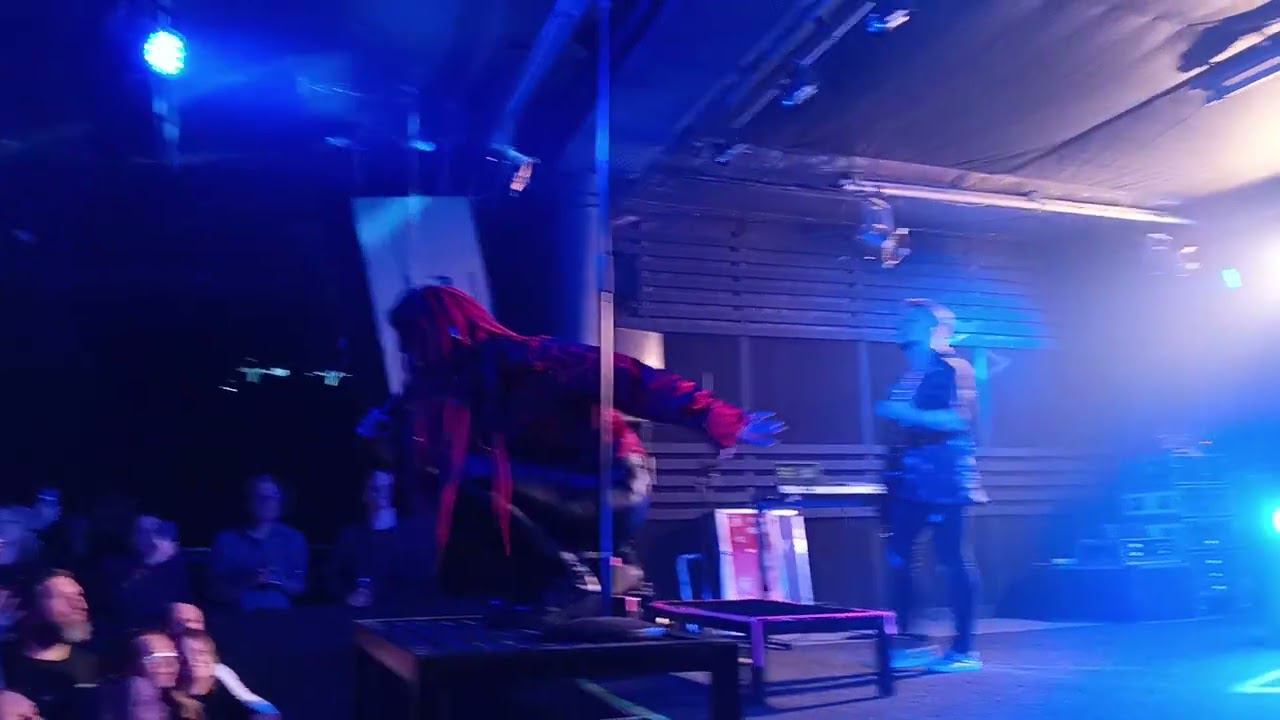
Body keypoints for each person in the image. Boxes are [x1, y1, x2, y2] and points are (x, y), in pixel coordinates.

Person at [360, 286, 784, 605]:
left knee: (471, 479)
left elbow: (628, 377)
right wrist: (383, 429)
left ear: (441, 332)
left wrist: (721, 417)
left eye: (414, 342)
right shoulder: (449, 385)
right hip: (563, 488)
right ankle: (583, 573)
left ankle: (579, 577)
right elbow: (410, 414)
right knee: (463, 483)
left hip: (612, 483)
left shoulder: (529, 359)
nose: (412, 355)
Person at [876, 298, 987, 673]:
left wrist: (905, 413)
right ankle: (909, 642)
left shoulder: (955, 369)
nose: (903, 326)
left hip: (946, 480)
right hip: (911, 482)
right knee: (899, 557)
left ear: (933, 329)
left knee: (953, 560)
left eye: (912, 321)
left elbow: (958, 419)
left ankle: (964, 650)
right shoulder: (911, 375)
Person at [1, 570, 99, 720]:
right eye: (63, 597)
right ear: (33, 605)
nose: (80, 605)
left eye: (79, 596)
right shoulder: (5, 661)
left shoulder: (92, 667)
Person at [327, 471, 432, 610]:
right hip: (357, 614)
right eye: (376, 488)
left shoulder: (414, 535)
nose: (383, 494)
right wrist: (348, 595)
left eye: (387, 488)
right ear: (365, 493)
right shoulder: (351, 536)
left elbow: (422, 581)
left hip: (398, 614)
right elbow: (332, 576)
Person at [208, 477, 307, 611]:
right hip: (236, 615)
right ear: (249, 501)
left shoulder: (293, 539)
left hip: (281, 615)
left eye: (272, 497)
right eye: (260, 497)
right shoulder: (226, 540)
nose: (266, 503)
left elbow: (300, 586)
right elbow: (213, 590)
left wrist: (276, 580)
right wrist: (249, 581)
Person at [98, 516, 192, 640]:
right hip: (128, 634)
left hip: (167, 632)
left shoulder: (177, 566)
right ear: (132, 536)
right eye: (142, 531)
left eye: (156, 531)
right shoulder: (115, 567)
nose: (150, 537)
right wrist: (149, 565)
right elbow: (119, 603)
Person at [174, 631, 278, 720]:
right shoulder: (173, 701)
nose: (195, 658)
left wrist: (223, 673)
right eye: (188, 652)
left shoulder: (229, 698)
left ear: (213, 658)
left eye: (201, 652)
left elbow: (270, 712)